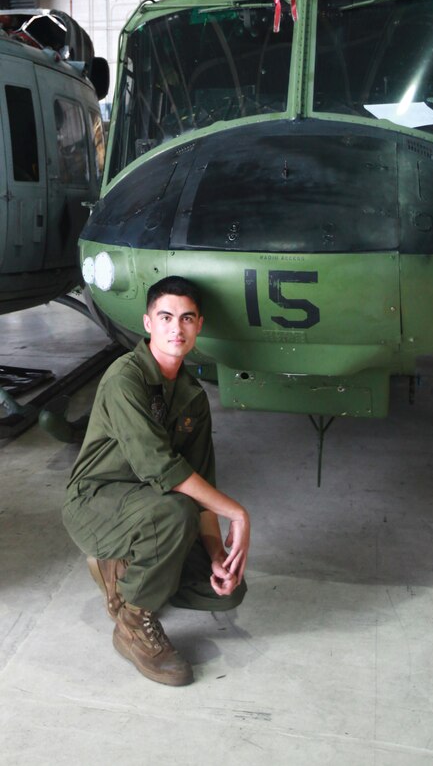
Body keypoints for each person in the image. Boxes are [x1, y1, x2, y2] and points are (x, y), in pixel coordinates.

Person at [63, 276, 250, 687]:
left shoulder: (191, 397)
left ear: (199, 325)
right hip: (96, 501)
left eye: (186, 318)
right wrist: (236, 512)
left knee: (225, 590)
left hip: (149, 507)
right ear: (148, 323)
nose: (175, 328)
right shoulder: (124, 378)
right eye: (165, 317)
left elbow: (200, 485)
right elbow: (162, 470)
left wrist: (217, 552)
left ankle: (124, 570)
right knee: (174, 510)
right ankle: (132, 623)